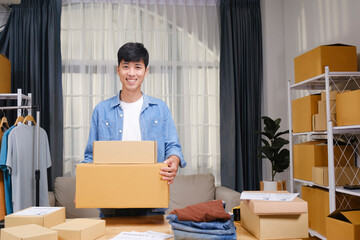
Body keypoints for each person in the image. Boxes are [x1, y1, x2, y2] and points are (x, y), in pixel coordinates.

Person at [81, 42, 186, 217]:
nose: (131, 73)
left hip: (152, 201)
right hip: (111, 203)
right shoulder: (101, 110)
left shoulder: (160, 108)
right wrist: (85, 184)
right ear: (118, 70)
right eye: (126, 66)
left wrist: (173, 160)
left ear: (146, 71)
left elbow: (173, 147)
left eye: (137, 67)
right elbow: (91, 156)